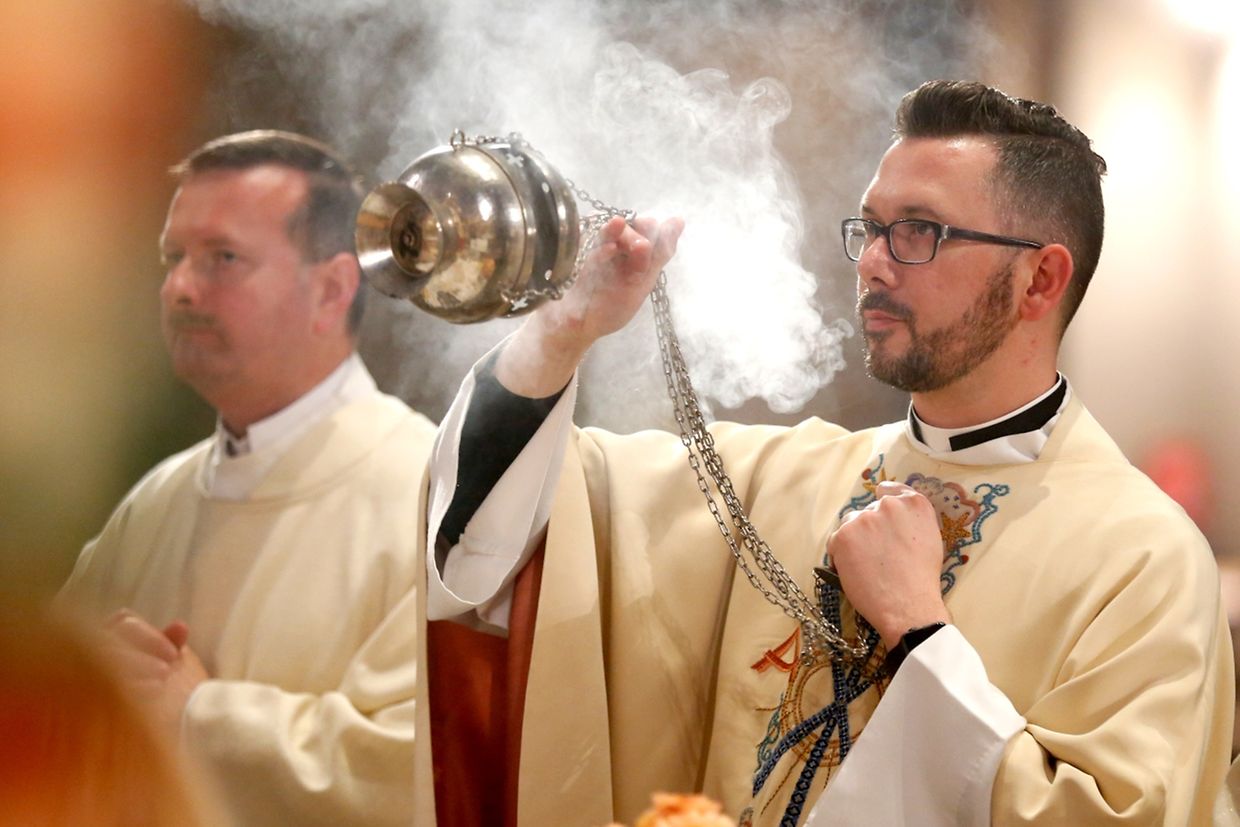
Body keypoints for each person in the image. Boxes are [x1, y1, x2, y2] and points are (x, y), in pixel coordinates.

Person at [421, 81, 1234, 826]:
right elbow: (513, 535)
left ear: (1040, 280)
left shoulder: (1143, 559)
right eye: (872, 228)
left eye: (918, 231)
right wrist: (564, 332)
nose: (874, 261)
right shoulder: (771, 482)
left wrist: (919, 634)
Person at [57, 130, 437, 826]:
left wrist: (201, 717)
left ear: (331, 289)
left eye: (222, 258)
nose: (178, 287)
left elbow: (427, 772)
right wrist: (88, 685)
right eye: (173, 257)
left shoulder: (430, 493)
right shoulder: (156, 501)